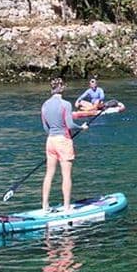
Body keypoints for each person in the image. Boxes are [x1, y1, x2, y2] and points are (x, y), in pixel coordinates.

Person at [42, 77, 87, 212]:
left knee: (49, 174)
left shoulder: (44, 105)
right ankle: (67, 206)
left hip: (50, 141)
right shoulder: (65, 104)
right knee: (66, 175)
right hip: (63, 140)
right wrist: (82, 128)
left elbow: (46, 128)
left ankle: (45, 206)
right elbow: (70, 125)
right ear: (62, 88)